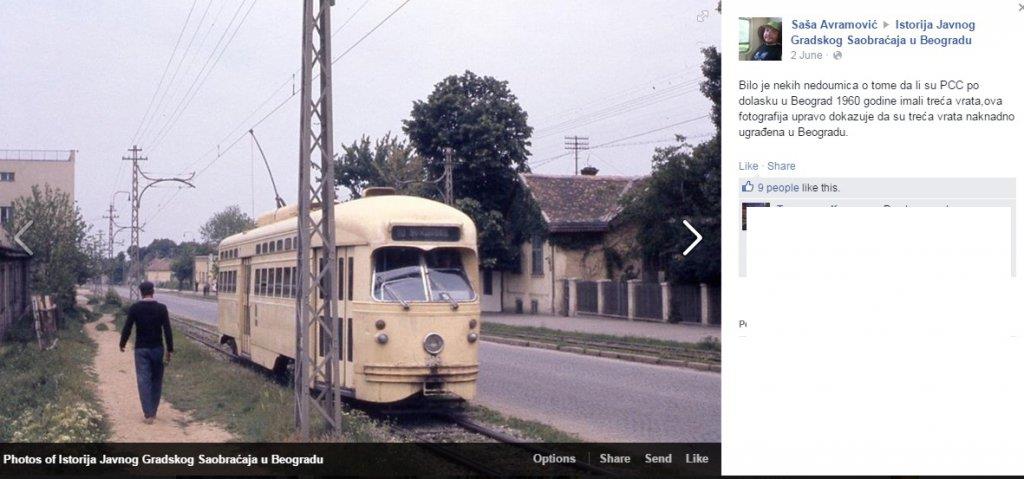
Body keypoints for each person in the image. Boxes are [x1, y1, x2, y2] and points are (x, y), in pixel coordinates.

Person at [119, 281, 174, 424]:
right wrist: (170, 349)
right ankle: (153, 411)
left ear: (141, 292)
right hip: (157, 349)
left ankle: (148, 413)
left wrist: (123, 343)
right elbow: (167, 330)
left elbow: (127, 327)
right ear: (153, 291)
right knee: (156, 380)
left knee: (143, 380)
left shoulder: (135, 308)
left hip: (141, 349)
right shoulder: (162, 309)